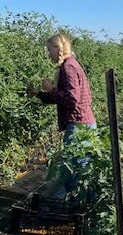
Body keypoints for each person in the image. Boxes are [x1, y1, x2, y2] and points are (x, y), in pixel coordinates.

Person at [27, 33, 96, 201]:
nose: (48, 54)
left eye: (49, 50)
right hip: (83, 124)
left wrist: (51, 89)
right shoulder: (71, 65)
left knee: (72, 170)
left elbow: (72, 99)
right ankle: (84, 206)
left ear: (58, 49)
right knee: (80, 169)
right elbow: (64, 98)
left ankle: (75, 209)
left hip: (79, 125)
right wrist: (38, 94)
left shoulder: (69, 67)